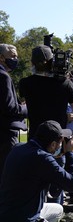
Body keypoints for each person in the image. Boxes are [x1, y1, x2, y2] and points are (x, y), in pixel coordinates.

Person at [0, 120, 73, 222]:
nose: (63, 144)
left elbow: (54, 190)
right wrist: (71, 154)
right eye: (60, 141)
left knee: (58, 210)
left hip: (6, 214)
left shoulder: (18, 148)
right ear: (53, 145)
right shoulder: (43, 159)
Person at [18, 45, 73, 205]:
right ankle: (54, 215)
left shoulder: (25, 83)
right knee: (57, 183)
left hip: (35, 138)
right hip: (57, 139)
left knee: (36, 180)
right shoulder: (64, 83)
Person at [0, 44, 27, 177]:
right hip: (6, 134)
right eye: (13, 56)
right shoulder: (3, 76)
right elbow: (10, 108)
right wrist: (26, 108)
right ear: (1, 57)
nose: (16, 59)